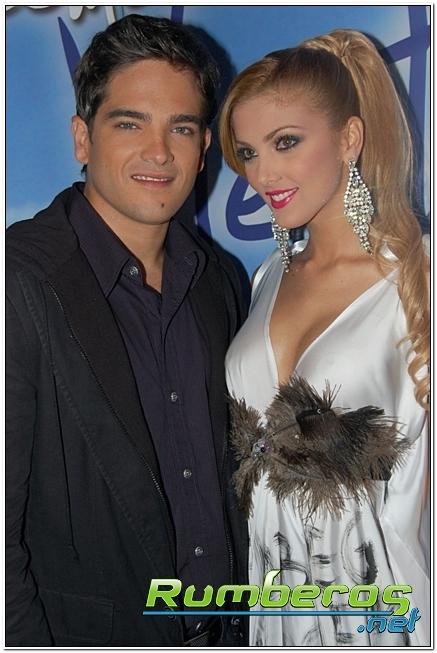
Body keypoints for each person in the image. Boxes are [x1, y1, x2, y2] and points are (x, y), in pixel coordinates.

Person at [6, 14, 249, 647]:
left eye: (181, 127)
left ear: (204, 148)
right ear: (82, 138)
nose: (159, 151)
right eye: (130, 123)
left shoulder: (220, 279)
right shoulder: (18, 282)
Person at [219, 29, 429, 646]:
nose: (262, 173)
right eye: (248, 152)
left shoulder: (418, 276)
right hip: (276, 599)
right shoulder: (267, 276)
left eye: (286, 142)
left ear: (349, 139)